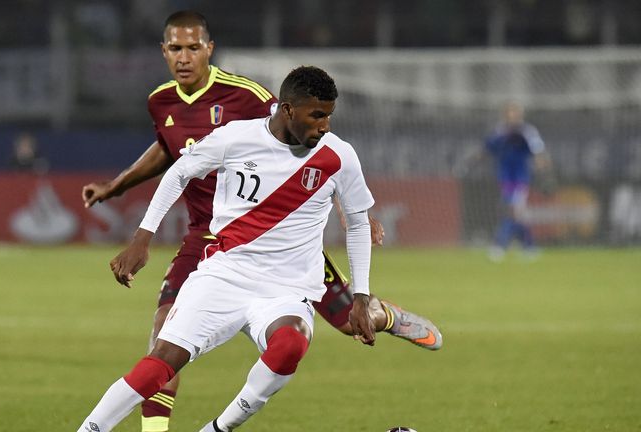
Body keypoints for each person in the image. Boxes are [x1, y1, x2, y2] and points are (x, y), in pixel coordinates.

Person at [82, 11, 442, 432]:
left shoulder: (271, 110)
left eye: (193, 47)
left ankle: (383, 316)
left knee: (340, 324)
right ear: (164, 51)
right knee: (163, 341)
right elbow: (173, 159)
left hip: (288, 265)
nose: (184, 57)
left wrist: (356, 245)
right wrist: (124, 201)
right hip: (216, 247)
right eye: (176, 48)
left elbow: (348, 202)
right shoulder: (176, 109)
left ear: (209, 50)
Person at [483, 102, 552, 261]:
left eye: (515, 113)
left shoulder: (527, 131)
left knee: (511, 210)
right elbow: (488, 148)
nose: (512, 116)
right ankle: (530, 246)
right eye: (510, 113)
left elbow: (538, 151)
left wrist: (544, 170)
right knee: (518, 214)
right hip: (505, 178)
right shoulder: (500, 130)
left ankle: (499, 245)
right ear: (505, 114)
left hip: (521, 179)